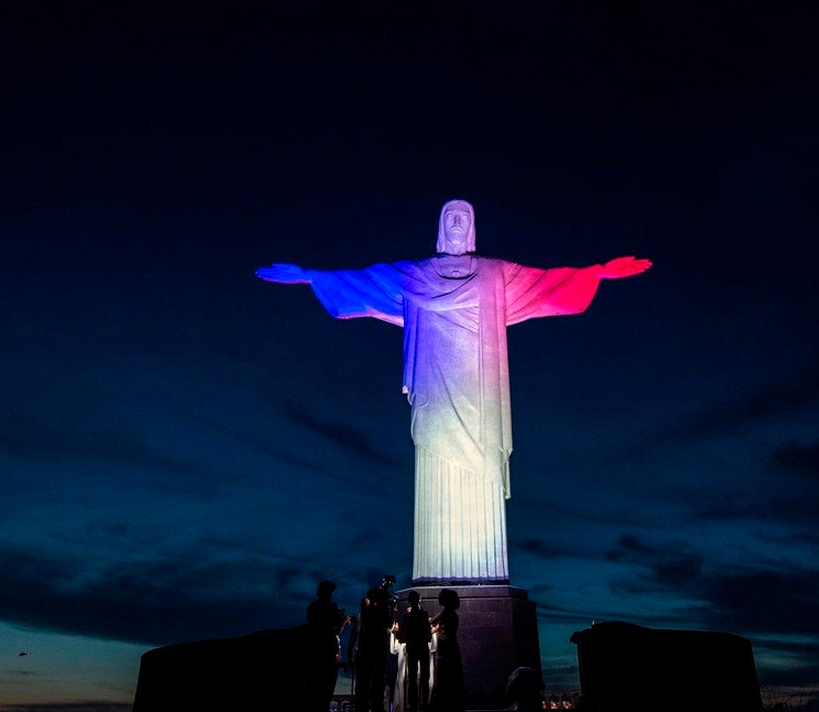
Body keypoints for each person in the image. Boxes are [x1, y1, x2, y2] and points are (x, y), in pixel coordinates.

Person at [257, 199, 651, 586]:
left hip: (481, 398)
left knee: (481, 469)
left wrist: (597, 272)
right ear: (442, 226)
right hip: (434, 392)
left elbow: (547, 282)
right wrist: (311, 276)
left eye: (465, 217)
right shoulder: (415, 274)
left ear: (474, 226)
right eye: (452, 217)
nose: (459, 223)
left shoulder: (496, 273)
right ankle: (438, 573)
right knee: (435, 464)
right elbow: (365, 281)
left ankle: (486, 575)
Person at [304, 580, 348, 712]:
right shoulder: (332, 607)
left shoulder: (312, 607)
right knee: (327, 683)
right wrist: (344, 622)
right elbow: (336, 630)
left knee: (314, 682)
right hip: (328, 648)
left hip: (314, 648)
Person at [352, 584, 392, 712]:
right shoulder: (381, 611)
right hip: (378, 651)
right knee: (378, 681)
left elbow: (357, 632)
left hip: (365, 651)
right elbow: (389, 623)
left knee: (363, 682)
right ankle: (376, 707)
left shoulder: (366, 612)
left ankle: (362, 707)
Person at [393, 589, 432, 712]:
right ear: (419, 600)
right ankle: (424, 703)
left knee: (412, 677)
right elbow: (428, 634)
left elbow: (405, 634)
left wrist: (398, 633)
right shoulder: (424, 614)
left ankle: (413, 704)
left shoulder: (407, 617)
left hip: (412, 648)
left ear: (409, 601)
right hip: (423, 647)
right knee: (424, 677)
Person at [428, 588, 465, 712]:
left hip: (446, 648)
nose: (438, 599)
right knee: (452, 676)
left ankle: (444, 704)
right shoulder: (451, 613)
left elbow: (432, 622)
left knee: (445, 676)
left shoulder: (445, 613)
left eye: (440, 597)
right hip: (451, 647)